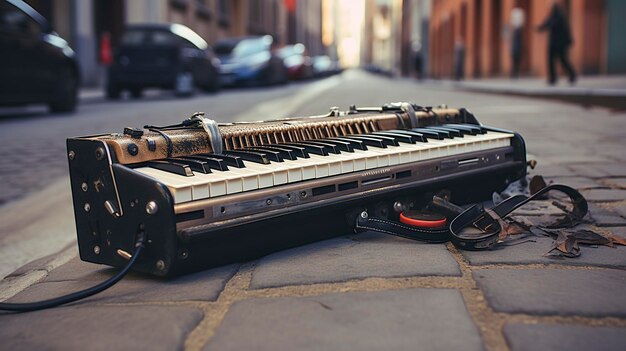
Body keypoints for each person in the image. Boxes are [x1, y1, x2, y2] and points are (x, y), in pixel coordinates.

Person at [538, 2, 576, 85]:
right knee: (551, 60)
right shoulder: (554, 16)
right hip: (555, 43)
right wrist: (540, 27)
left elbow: (551, 24)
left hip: (560, 43)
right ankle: (553, 78)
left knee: (563, 60)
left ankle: (572, 74)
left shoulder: (559, 16)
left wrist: (542, 27)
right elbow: (547, 23)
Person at [510, 8, 524, 78]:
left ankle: (515, 74)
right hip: (516, 48)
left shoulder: (518, 30)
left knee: (516, 62)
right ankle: (514, 74)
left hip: (517, 48)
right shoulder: (517, 30)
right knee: (515, 62)